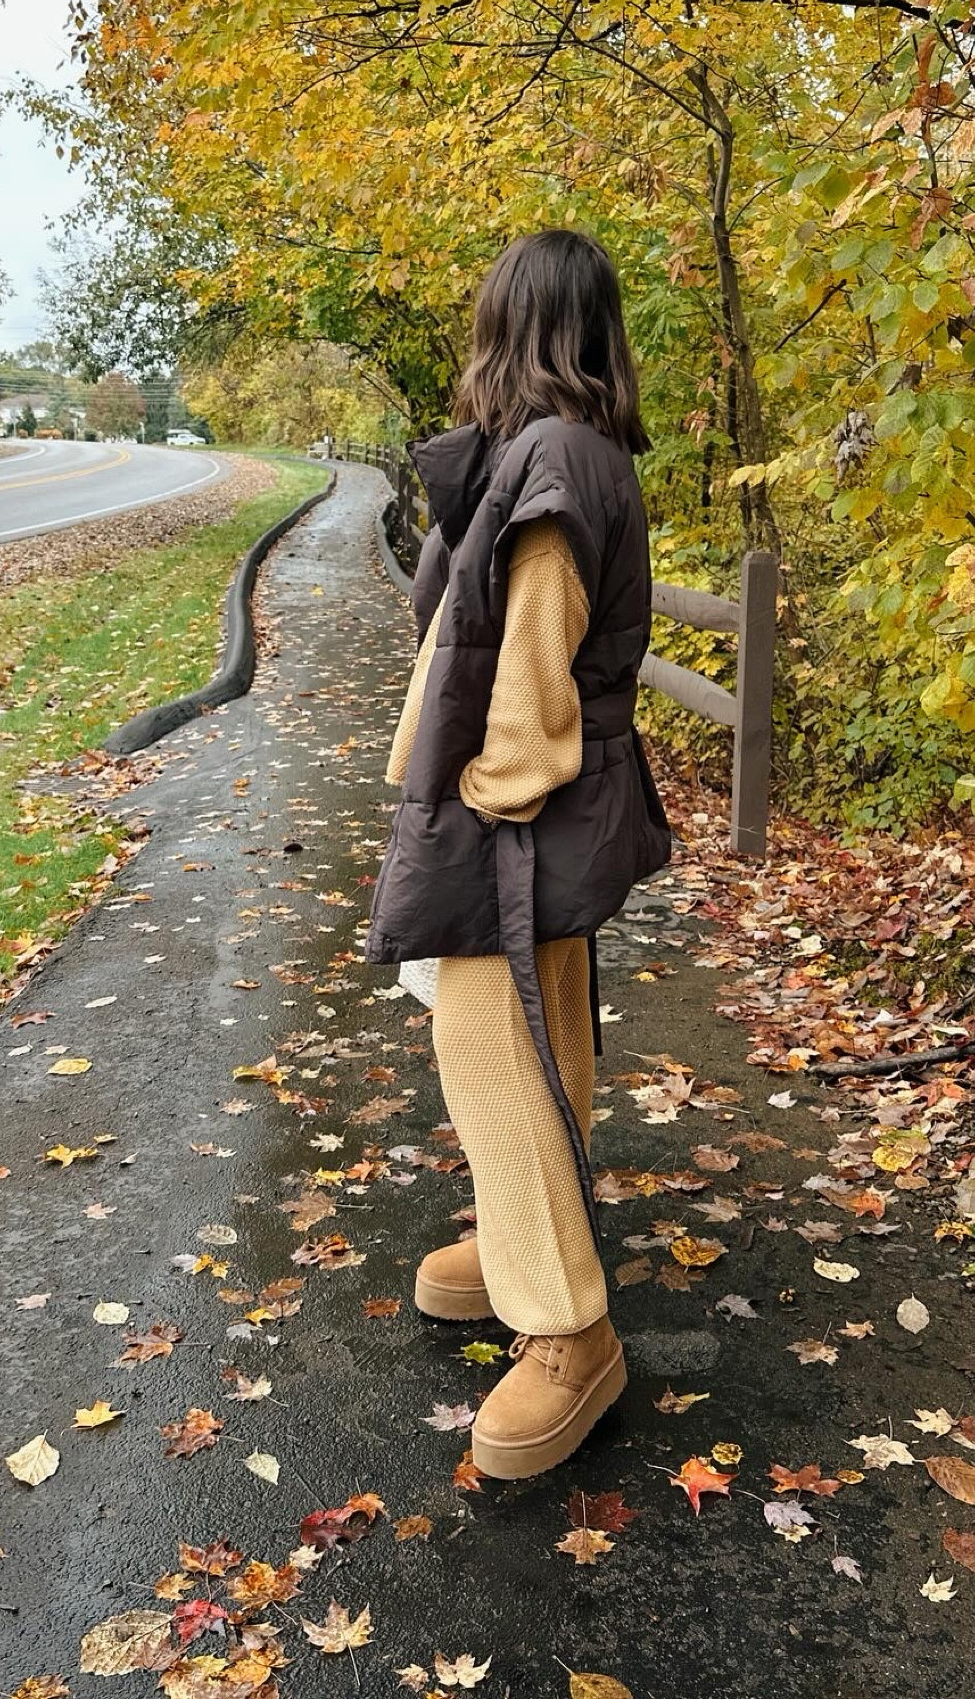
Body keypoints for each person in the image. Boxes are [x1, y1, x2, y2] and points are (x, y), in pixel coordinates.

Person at [367, 229, 672, 1479]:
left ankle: (569, 1330)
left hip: (516, 806)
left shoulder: (549, 457)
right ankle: (519, 1245)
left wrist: (478, 804)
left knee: (490, 1044)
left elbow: (532, 661)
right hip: (539, 805)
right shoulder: (558, 448)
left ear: (515, 324)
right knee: (543, 1028)